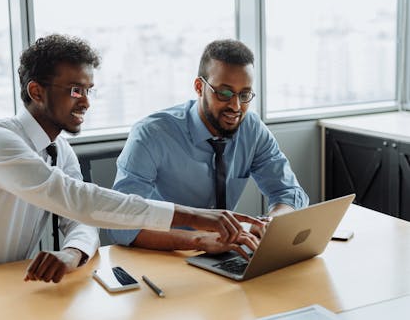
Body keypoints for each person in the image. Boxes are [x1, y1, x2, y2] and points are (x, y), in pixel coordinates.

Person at [0, 35, 263, 283]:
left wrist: (72, 254)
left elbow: (82, 221)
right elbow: (80, 200)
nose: (85, 101)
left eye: (88, 90)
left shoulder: (59, 151)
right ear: (36, 91)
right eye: (74, 90)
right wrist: (201, 218)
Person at [105, 39, 309, 255]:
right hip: (166, 255)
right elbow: (121, 223)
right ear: (199, 87)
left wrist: (270, 224)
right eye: (225, 93)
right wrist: (199, 240)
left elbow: (289, 192)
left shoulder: (252, 128)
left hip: (225, 253)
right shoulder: (152, 134)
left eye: (244, 95)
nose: (236, 106)